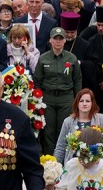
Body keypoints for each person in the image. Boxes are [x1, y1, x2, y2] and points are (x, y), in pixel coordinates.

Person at [33, 26, 83, 154]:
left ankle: (63, 158)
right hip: (48, 98)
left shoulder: (72, 58)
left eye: (61, 38)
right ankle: (50, 158)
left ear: (65, 40)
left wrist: (78, 101)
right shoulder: (43, 58)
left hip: (66, 98)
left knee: (64, 129)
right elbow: (37, 81)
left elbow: (77, 80)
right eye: (55, 38)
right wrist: (38, 101)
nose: (58, 41)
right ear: (50, 40)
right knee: (48, 131)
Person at [54, 88, 103, 164]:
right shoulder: (68, 121)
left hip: (96, 164)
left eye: (87, 101)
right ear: (77, 103)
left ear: (92, 103)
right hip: (74, 164)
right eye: (81, 101)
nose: (84, 104)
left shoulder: (101, 119)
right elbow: (60, 147)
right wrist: (56, 166)